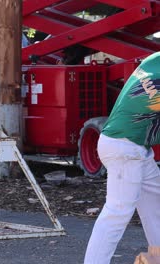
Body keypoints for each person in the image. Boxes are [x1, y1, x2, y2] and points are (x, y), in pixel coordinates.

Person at [84, 51, 160, 264]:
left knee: (154, 202)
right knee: (117, 212)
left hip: (130, 145)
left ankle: (156, 256)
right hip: (126, 147)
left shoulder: (153, 60)